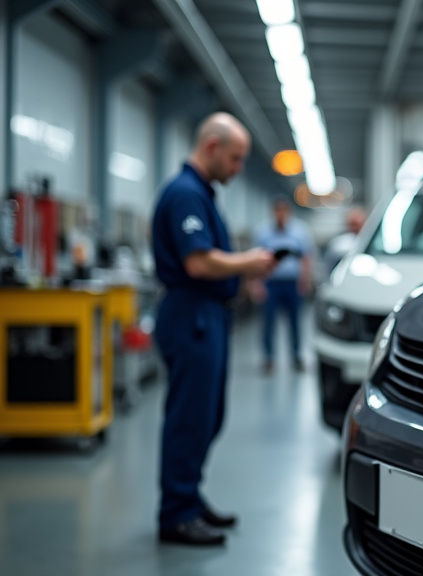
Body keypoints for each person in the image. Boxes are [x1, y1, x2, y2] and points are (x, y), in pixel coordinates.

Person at [150, 111, 276, 546]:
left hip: (208, 314)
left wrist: (240, 273)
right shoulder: (186, 194)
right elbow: (198, 260)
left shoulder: (201, 193)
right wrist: (250, 261)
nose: (238, 169)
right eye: (236, 159)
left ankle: (189, 496)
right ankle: (176, 513)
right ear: (211, 147)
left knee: (207, 416)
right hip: (192, 314)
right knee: (190, 417)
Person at [252, 195, 314, 373]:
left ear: (288, 212)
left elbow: (305, 259)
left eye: (283, 211)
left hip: (292, 283)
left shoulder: (299, 232)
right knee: (268, 321)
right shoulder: (263, 233)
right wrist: (257, 284)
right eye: (277, 211)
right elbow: (256, 260)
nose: (280, 214)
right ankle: (268, 358)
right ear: (273, 212)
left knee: (295, 322)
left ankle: (296, 356)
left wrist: (305, 281)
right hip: (271, 282)